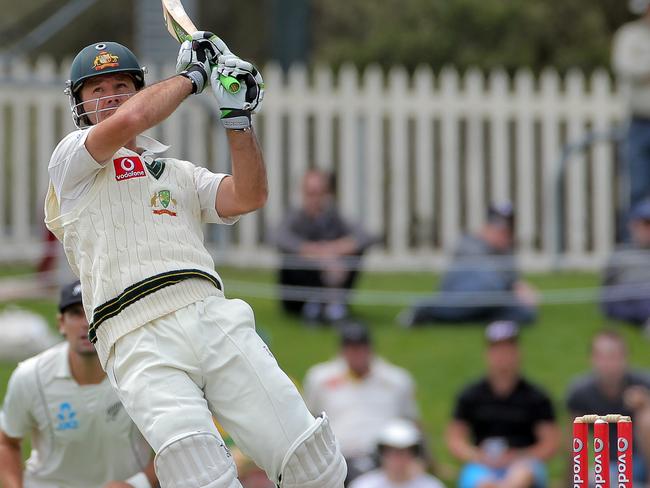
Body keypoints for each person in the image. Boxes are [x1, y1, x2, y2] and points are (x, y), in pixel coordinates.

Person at [43, 36, 346, 488]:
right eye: (96, 90)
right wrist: (193, 78)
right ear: (80, 104)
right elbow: (135, 117)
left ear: (138, 86)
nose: (110, 97)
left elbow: (249, 195)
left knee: (313, 463)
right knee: (200, 475)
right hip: (132, 333)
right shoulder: (71, 162)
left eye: (120, 85)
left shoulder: (179, 173)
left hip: (210, 312)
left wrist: (237, 119)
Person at [0, 280, 158, 488]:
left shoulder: (142, 372)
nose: (87, 322)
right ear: (61, 324)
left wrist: (137, 484)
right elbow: (6, 442)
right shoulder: (30, 376)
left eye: (93, 311)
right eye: (76, 313)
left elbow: (185, 443)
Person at [445, 321, 560, 488]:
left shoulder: (536, 397)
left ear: (518, 353)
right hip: (482, 463)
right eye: (498, 350)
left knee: (521, 475)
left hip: (523, 461)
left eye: (508, 350)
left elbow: (550, 443)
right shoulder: (470, 395)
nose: (503, 356)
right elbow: (455, 439)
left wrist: (518, 455)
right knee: (482, 482)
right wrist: (478, 456)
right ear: (487, 353)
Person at [303, 321, 420, 483]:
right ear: (342, 351)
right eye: (351, 348)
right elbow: (309, 420)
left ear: (370, 349)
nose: (356, 353)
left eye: (360, 348)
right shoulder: (320, 379)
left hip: (384, 457)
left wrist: (423, 459)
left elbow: (412, 422)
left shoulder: (397, 380)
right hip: (337, 457)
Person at [399, 203, 538, 327]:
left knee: (524, 314)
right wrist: (513, 288)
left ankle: (461, 320)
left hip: (491, 301)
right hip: (459, 297)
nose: (503, 235)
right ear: (486, 227)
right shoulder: (468, 244)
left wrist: (522, 289)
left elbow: (512, 279)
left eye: (507, 230)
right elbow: (491, 280)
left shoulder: (506, 250)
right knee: (489, 286)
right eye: (498, 229)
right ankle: (427, 309)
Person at [275, 169, 375, 323]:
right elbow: (276, 236)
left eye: (319, 193)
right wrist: (313, 252)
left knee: (352, 253)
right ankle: (315, 304)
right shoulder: (296, 217)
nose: (314, 199)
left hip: (335, 274)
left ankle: (333, 306)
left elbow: (366, 236)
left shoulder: (334, 216)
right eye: (310, 193)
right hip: (299, 286)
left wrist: (335, 249)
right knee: (295, 255)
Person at [566, 329, 650, 485]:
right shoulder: (580, 393)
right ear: (592, 359)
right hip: (610, 466)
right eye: (602, 357)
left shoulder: (644, 383)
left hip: (642, 460)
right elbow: (574, 443)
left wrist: (646, 404)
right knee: (595, 478)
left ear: (625, 358)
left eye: (613, 356)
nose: (608, 364)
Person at [612, 0, 650, 213]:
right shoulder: (630, 35)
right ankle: (636, 243)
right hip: (640, 122)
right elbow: (628, 68)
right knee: (638, 187)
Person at [349, 419, 445, 488]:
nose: (398, 459)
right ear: (382, 453)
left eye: (403, 452)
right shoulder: (363, 485)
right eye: (392, 452)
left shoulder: (431, 485)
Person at [600, 197, 650, 327]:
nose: (648, 231)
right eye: (645, 224)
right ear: (633, 226)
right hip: (628, 302)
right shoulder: (621, 255)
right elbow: (607, 288)